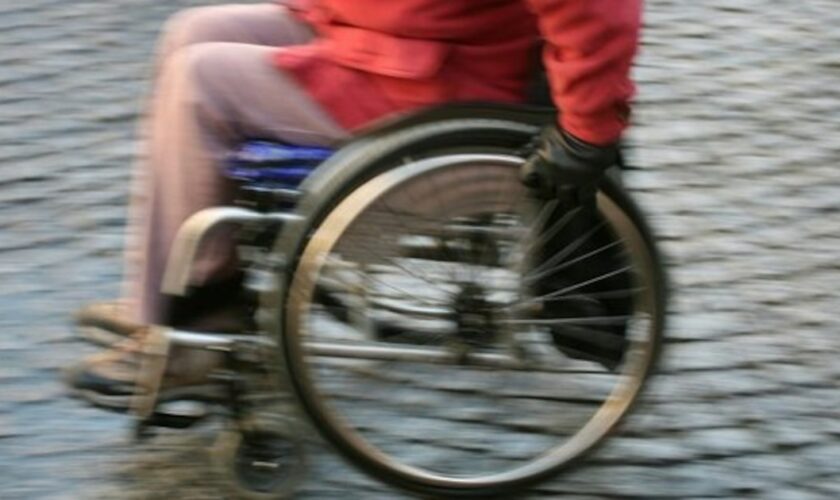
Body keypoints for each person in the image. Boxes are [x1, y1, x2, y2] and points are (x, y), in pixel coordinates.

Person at [65, 0, 641, 411]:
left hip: (431, 86)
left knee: (201, 81)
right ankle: (163, 305)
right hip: (372, 35)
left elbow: (600, 11)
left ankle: (196, 326)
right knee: (190, 31)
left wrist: (587, 132)